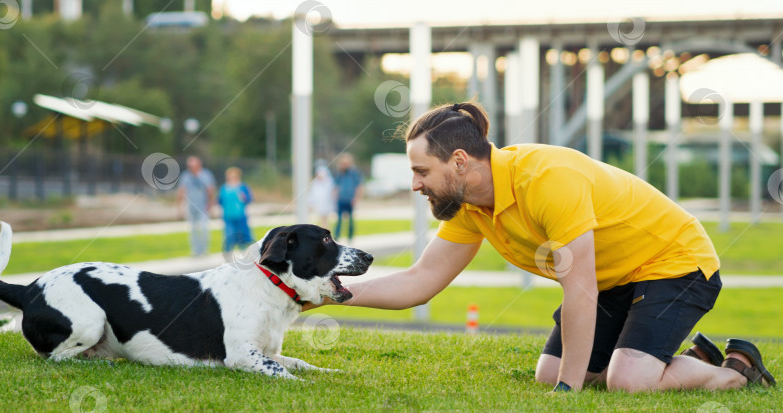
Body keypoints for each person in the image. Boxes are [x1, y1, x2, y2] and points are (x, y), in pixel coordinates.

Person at [312, 101, 775, 393]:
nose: (414, 184)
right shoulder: (469, 203)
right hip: (616, 278)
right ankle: (690, 364)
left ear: (458, 161)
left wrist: (569, 392)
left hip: (676, 262)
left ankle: (736, 369)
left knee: (626, 382)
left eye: (421, 172)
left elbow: (580, 289)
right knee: (548, 371)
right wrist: (320, 292)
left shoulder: (546, 178)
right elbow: (420, 281)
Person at [177, 156, 216, 257]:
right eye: (190, 166)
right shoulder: (186, 176)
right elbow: (181, 191)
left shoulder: (205, 175)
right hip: (191, 207)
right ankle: (195, 251)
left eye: (193, 166)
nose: (191, 168)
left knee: (203, 228)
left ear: (199, 165)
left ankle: (204, 250)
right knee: (193, 230)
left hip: (203, 206)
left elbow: (210, 190)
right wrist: (179, 207)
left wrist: (211, 205)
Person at [218, 166, 254, 262]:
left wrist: (244, 197)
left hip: (240, 215)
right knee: (229, 234)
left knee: (242, 234)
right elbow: (220, 201)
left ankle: (243, 252)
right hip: (228, 216)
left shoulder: (243, 187)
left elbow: (249, 199)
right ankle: (228, 254)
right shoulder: (224, 188)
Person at [333, 153, 363, 241]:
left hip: (350, 199)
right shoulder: (340, 173)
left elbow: (358, 186)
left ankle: (350, 237)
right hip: (341, 199)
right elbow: (336, 186)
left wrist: (356, 198)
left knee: (350, 219)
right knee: (339, 219)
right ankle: (337, 236)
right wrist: (335, 196)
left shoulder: (354, 173)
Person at [308, 159, 336, 229]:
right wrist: (310, 203)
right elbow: (312, 194)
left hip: (326, 204)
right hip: (318, 205)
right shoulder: (315, 183)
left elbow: (332, 193)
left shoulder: (329, 182)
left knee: (325, 221)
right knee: (318, 221)